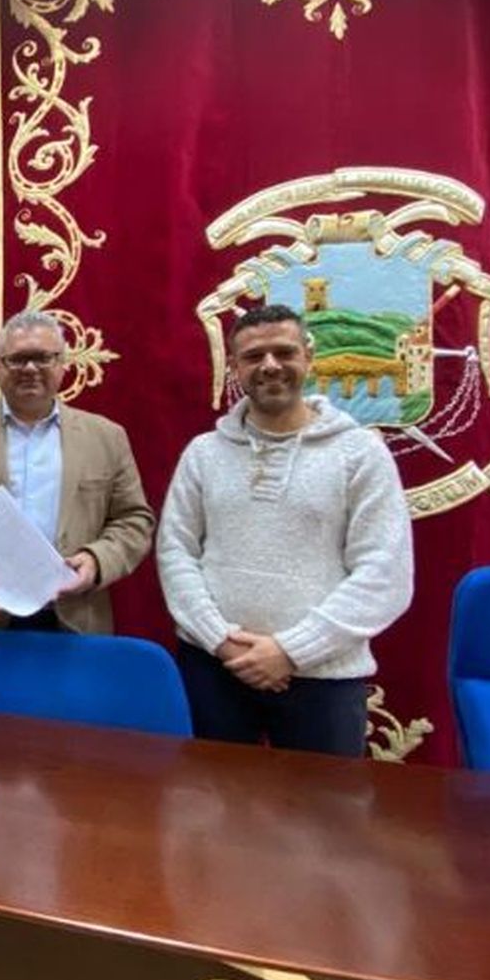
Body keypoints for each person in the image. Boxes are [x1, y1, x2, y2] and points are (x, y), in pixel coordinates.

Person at [157, 303, 414, 756]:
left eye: (283, 352)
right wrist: (220, 640)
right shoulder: (203, 453)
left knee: (323, 820)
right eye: (254, 356)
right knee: (211, 814)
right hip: (214, 670)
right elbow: (175, 551)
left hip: (323, 679)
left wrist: (292, 650)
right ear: (234, 366)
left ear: (308, 358)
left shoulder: (360, 454)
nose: (270, 365)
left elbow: (384, 574)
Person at [0, 309, 155, 698]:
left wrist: (95, 560)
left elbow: (134, 520)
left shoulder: (106, 437)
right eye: (16, 359)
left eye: (43, 357)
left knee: (67, 747)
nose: (29, 368)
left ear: (62, 364)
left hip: (72, 620)